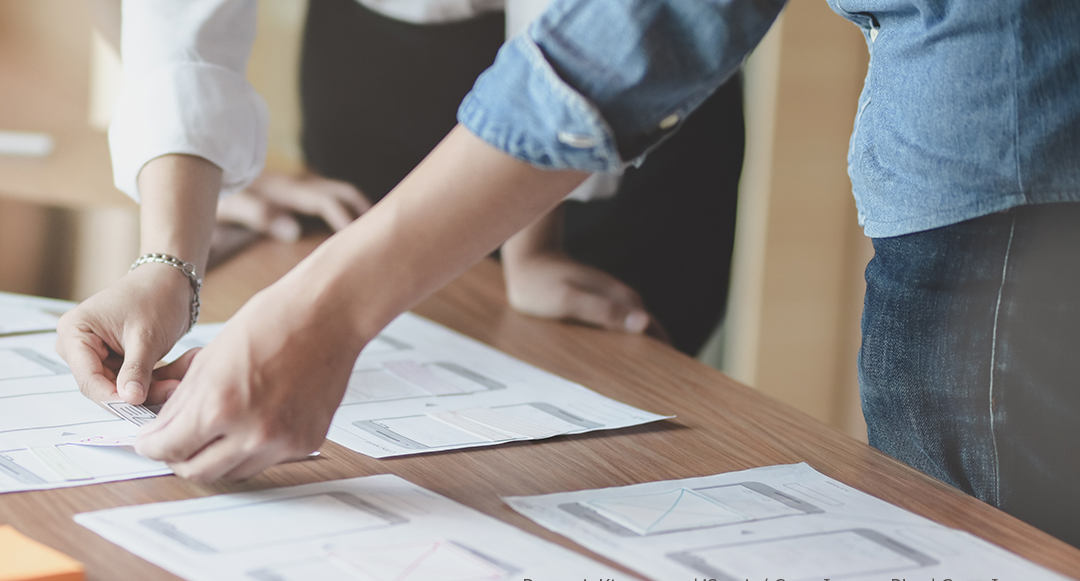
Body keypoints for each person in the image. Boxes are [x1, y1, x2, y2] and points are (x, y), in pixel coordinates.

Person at [67, 0, 1080, 546]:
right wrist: (170, 257)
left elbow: (624, 29)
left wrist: (329, 310)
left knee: (990, 549)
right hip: (986, 137)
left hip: (1013, 131)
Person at [220, 0, 745, 355]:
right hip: (377, 57)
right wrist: (207, 152)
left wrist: (532, 245)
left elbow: (605, 27)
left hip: (621, 87)